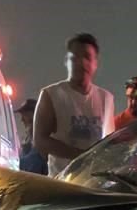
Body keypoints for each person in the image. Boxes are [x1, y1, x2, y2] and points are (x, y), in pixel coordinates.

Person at [34, 33, 115, 177]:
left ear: (95, 63)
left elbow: (109, 141)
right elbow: (40, 140)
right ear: (66, 61)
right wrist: (81, 156)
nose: (81, 62)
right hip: (63, 182)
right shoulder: (51, 94)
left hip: (95, 181)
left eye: (87, 57)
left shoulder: (106, 98)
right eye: (75, 57)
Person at [15, 98, 46, 175]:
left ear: (34, 114)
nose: (22, 119)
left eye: (24, 115)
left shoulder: (44, 135)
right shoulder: (27, 139)